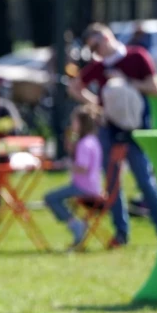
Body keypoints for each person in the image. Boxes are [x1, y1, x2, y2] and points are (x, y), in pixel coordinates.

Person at [67, 23, 157, 247]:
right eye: (92, 48)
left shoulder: (136, 56)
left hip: (136, 128)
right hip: (109, 130)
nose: (97, 51)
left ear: (106, 36)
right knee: (112, 183)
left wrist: (126, 82)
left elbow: (155, 88)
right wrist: (97, 105)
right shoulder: (98, 66)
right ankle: (121, 234)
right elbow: (74, 87)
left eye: (96, 44)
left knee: (144, 181)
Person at [43, 105, 103, 247]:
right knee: (56, 197)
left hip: (84, 188)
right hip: (92, 186)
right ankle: (75, 224)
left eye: (74, 121)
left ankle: (75, 224)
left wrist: (66, 165)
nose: (72, 125)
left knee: (50, 198)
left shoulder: (84, 144)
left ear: (82, 123)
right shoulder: (92, 141)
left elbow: (82, 168)